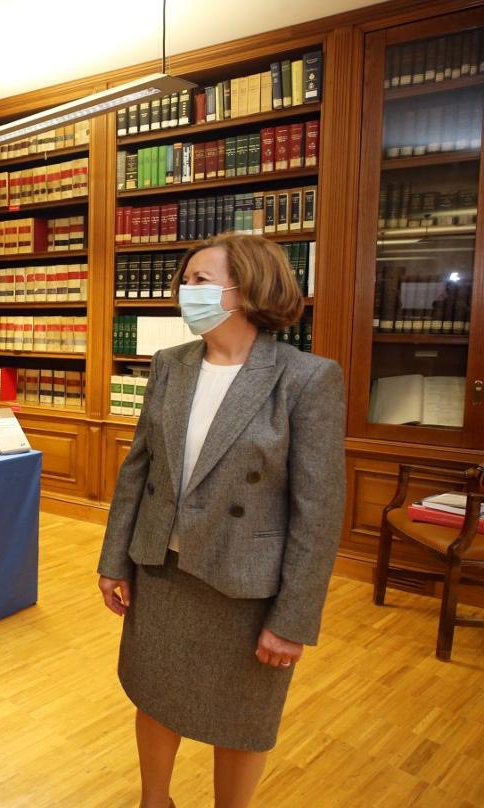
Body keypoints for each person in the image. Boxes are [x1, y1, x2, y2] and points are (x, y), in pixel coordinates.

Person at [96, 232, 345, 808]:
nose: (185, 292)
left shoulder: (306, 379)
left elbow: (318, 512)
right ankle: (153, 801)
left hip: (244, 588)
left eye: (200, 282)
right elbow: (138, 471)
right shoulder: (170, 365)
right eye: (184, 281)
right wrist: (115, 562)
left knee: (241, 720)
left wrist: (293, 618)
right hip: (162, 573)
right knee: (155, 698)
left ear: (249, 290)